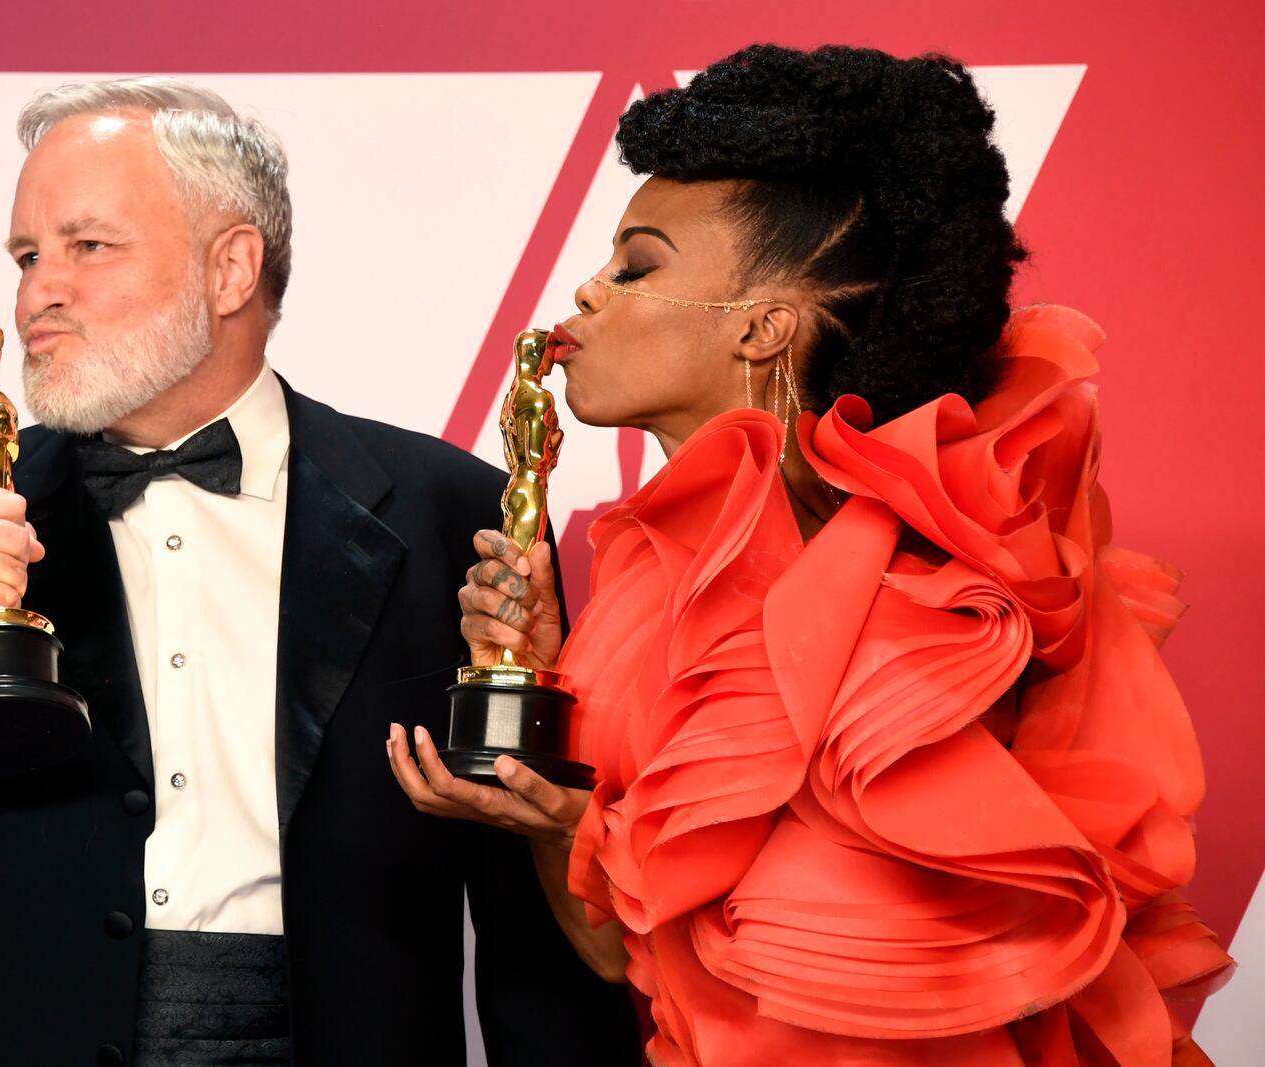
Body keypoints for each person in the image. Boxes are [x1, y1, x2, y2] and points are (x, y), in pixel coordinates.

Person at [0, 77, 639, 1067]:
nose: (36, 293)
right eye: (27, 256)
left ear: (232, 266)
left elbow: (535, 907)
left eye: (87, 246)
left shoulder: (453, 508)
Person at [389, 45, 1234, 1065]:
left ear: (764, 328)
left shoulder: (909, 608)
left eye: (636, 264)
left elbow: (850, 997)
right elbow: (626, 956)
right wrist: (552, 808)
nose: (588, 289)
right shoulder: (638, 590)